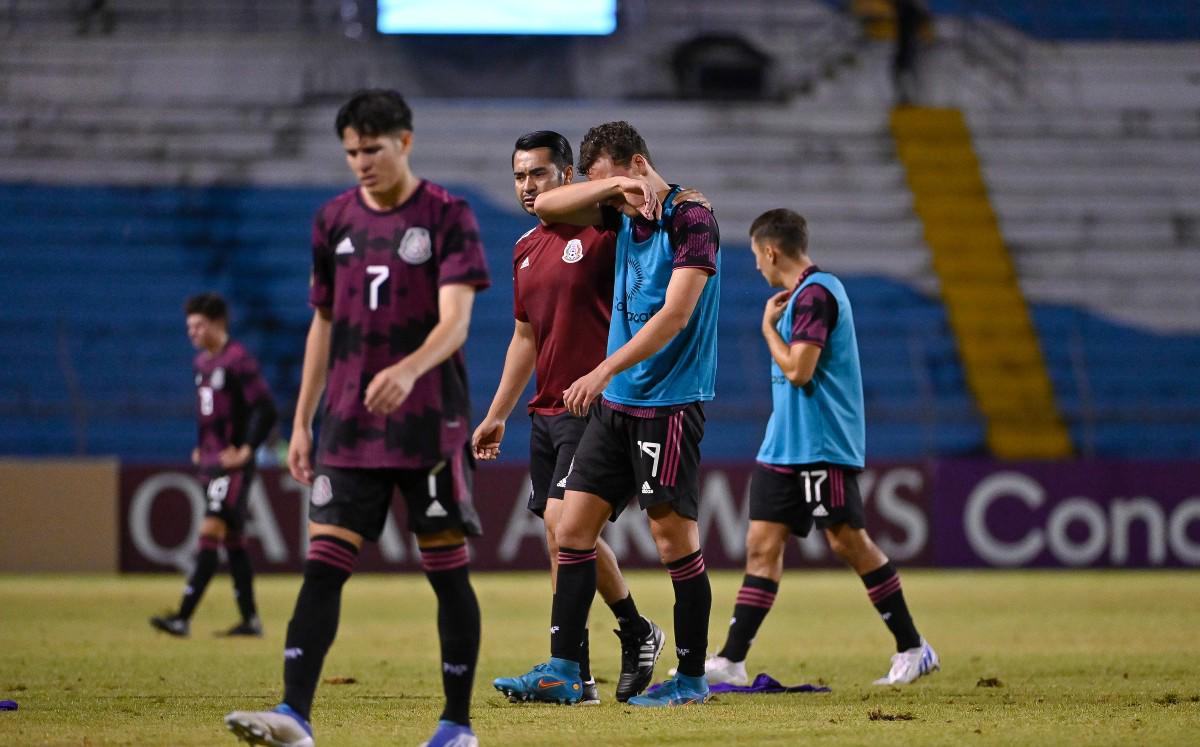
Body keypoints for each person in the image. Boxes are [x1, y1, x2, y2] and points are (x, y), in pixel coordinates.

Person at [224, 89, 490, 747]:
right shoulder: (332, 220)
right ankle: (293, 713)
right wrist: (301, 419)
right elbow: (323, 321)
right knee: (323, 564)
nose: (361, 162)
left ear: (405, 141)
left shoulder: (447, 215)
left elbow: (456, 321)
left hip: (428, 423)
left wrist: (407, 369)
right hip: (346, 423)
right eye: (350, 152)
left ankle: (456, 725)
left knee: (447, 570)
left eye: (372, 148)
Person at [493, 121, 720, 708]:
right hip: (619, 407)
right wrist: (603, 192)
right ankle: (567, 669)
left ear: (638, 164)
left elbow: (673, 317)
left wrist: (601, 371)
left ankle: (691, 680)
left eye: (611, 182)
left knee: (674, 542)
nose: (608, 198)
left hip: (667, 404)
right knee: (569, 531)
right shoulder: (619, 215)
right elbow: (547, 204)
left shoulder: (692, 219)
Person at [702, 208, 938, 687]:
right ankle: (730, 659)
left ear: (771, 250)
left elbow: (800, 370)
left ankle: (914, 647)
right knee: (760, 546)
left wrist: (767, 330)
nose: (755, 266)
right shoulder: (805, 296)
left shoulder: (816, 296)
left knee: (847, 541)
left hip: (821, 445)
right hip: (783, 445)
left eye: (755, 255)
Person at [472, 130, 665, 705]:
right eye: (519, 176)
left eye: (538, 174)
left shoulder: (604, 227)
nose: (528, 186)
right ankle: (598, 660)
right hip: (547, 409)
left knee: (563, 526)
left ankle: (577, 664)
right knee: (561, 540)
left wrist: (622, 182)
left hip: (598, 405)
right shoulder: (525, 248)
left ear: (566, 176)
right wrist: (497, 413)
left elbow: (643, 196)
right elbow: (524, 337)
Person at [151, 292, 276, 639]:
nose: (191, 332)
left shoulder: (238, 360)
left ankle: (183, 617)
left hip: (231, 467)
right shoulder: (202, 364)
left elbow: (266, 408)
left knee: (210, 532)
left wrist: (247, 449)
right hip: (211, 462)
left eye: (198, 325)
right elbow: (209, 413)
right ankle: (250, 621)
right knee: (233, 541)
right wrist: (201, 446)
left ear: (218, 324)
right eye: (189, 326)